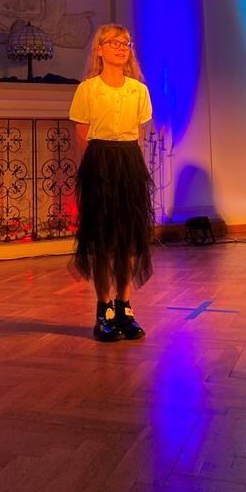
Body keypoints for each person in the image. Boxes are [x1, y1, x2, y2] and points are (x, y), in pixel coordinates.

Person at [69, 23, 155, 342]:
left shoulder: (138, 90)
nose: (121, 48)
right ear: (100, 50)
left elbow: (139, 132)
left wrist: (129, 164)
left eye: (125, 43)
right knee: (103, 240)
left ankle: (124, 306)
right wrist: (93, 169)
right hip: (100, 161)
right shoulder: (88, 89)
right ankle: (104, 308)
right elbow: (82, 134)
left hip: (128, 160)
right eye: (114, 43)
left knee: (128, 239)